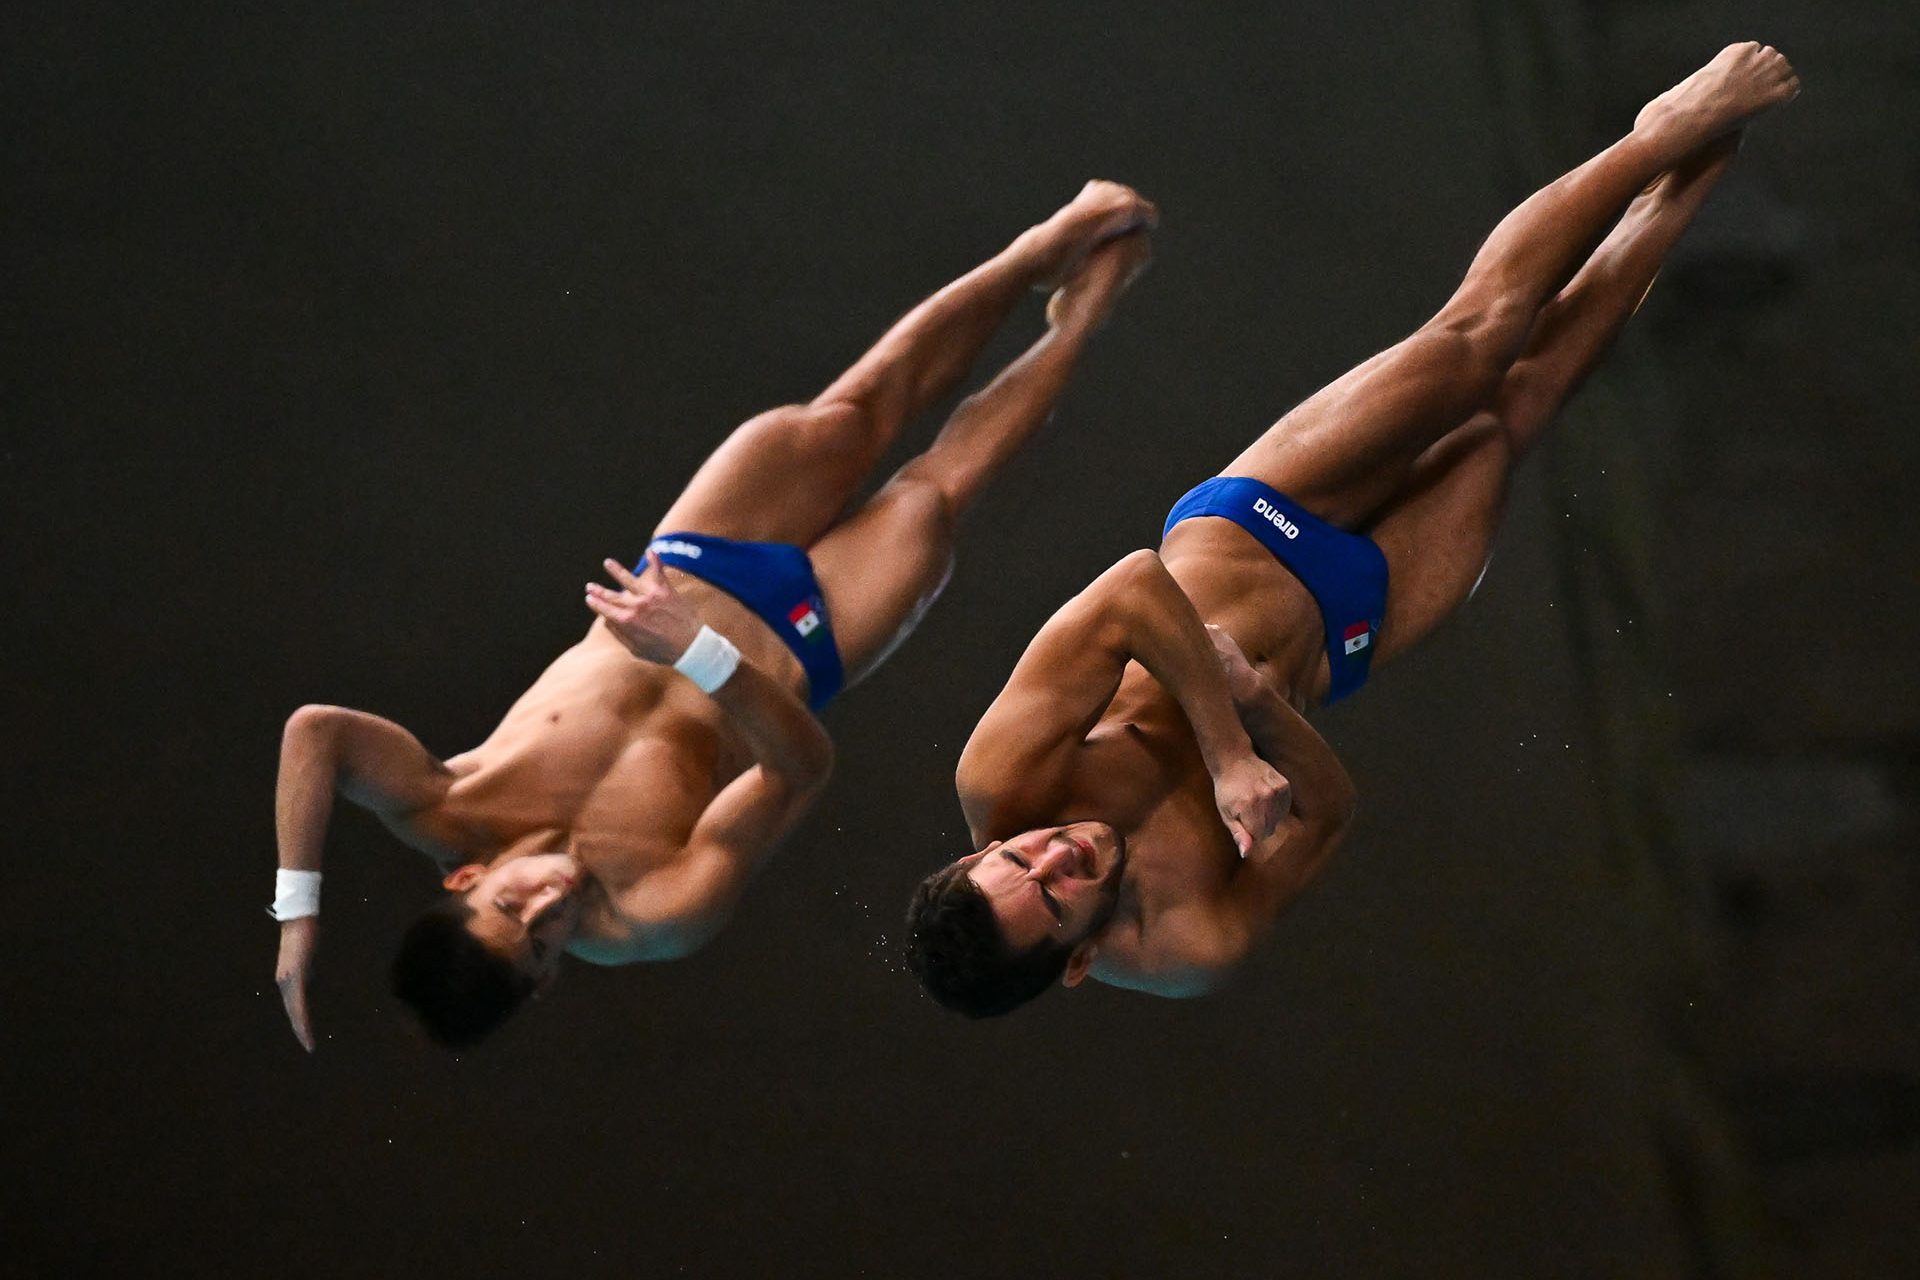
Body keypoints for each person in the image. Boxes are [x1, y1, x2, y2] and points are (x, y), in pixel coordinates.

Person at [906, 43, 1798, 1017]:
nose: (1056, 855)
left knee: (1475, 346)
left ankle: (1659, 132)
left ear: (979, 846)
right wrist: (1258, 705)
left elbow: (1130, 588)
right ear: (1079, 958)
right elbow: (1329, 810)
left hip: (1249, 526)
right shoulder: (1190, 941)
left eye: (1018, 857)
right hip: (1341, 636)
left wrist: (1230, 745)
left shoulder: (1005, 768)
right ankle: (1701, 165)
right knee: (1523, 407)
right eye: (1056, 896)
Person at [271, 181, 1158, 1049]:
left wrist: (298, 913)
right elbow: (801, 771)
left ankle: (1034, 253)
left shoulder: (446, 803)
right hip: (800, 646)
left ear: (467, 876)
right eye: (542, 938)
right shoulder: (658, 908)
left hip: (703, 552)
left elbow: (319, 733)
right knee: (935, 494)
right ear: (548, 976)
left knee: (859, 407)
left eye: (511, 902)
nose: (549, 902)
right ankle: (1089, 308)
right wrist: (695, 653)